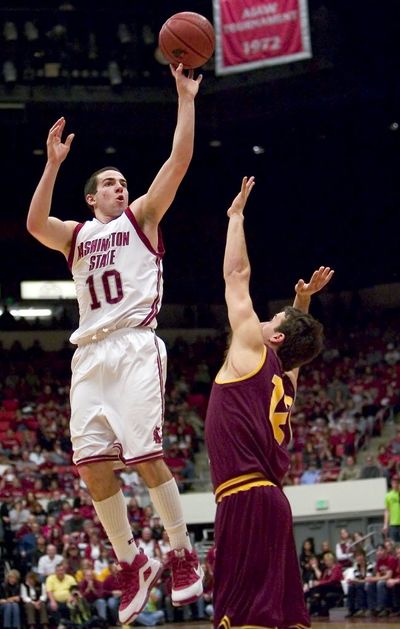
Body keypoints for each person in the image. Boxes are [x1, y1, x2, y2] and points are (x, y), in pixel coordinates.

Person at [26, 62, 203, 625]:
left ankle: (182, 554)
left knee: (146, 455)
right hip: (88, 357)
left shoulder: (142, 219)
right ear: (90, 197)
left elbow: (178, 163)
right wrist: (52, 165)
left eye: (123, 181)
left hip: (132, 345)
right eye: (109, 182)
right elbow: (34, 223)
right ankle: (133, 561)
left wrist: (185, 99)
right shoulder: (76, 236)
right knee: (91, 467)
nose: (119, 186)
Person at [204, 177, 334, 629]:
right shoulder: (283, 378)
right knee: (281, 618)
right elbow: (296, 350)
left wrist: (235, 216)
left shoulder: (252, 354)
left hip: (244, 498)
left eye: (270, 319)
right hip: (273, 502)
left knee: (242, 619)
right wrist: (301, 304)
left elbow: (236, 277)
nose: (260, 319)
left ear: (273, 337)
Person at [383, 474, 400, 542]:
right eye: (394, 482)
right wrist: (385, 524)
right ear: (391, 483)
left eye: (397, 482)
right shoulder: (388, 495)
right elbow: (387, 511)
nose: (395, 484)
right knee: (394, 544)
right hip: (393, 524)